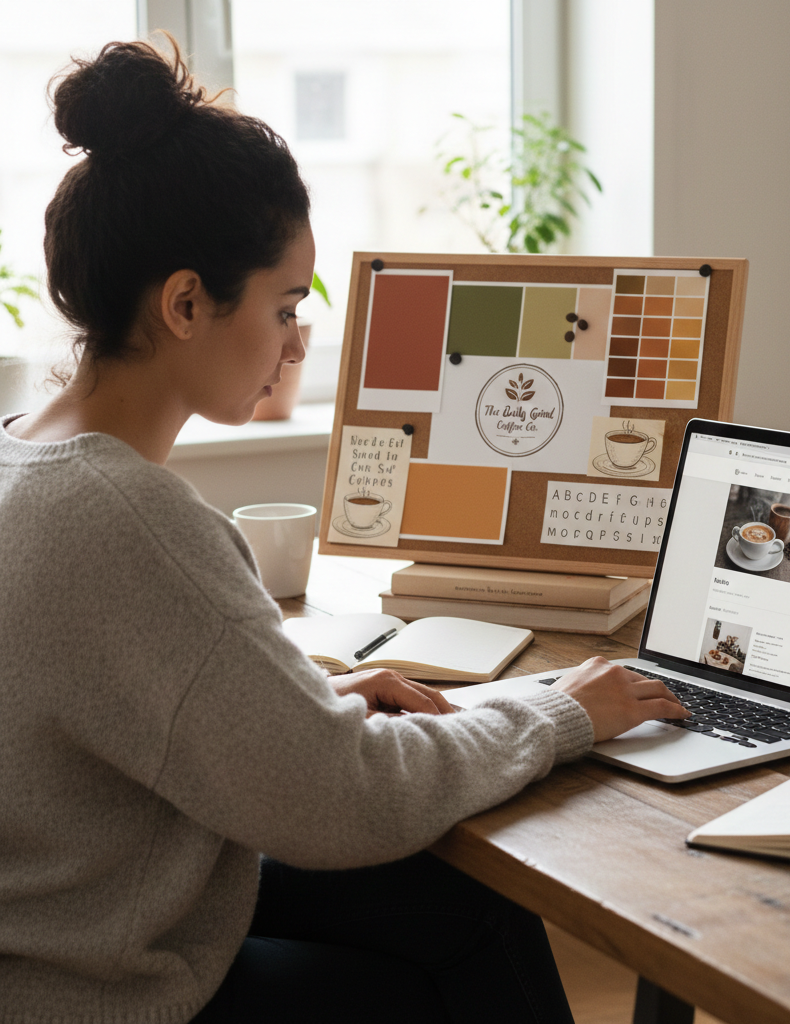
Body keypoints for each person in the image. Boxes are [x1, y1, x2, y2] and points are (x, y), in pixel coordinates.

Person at [0, 38, 685, 1024]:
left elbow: (114, 697)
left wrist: (302, 700)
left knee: (454, 898)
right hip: (86, 990)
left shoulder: (26, 455)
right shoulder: (127, 518)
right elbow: (348, 798)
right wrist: (560, 714)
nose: (294, 344)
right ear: (186, 302)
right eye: (283, 306)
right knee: (420, 971)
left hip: (70, 929)